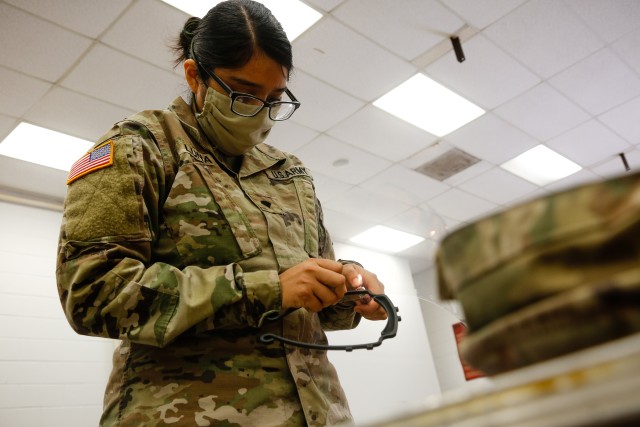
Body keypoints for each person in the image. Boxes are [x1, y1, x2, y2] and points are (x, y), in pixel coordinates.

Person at [56, 1, 387, 426]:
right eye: (244, 94)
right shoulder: (144, 147)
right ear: (195, 76)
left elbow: (313, 302)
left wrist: (350, 289)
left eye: (273, 98)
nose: (260, 112)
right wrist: (267, 290)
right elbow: (91, 292)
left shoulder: (289, 172)